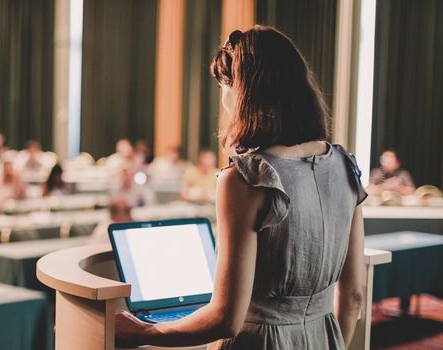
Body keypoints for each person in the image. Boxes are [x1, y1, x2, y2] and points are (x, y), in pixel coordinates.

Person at [114, 26, 368, 349]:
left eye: (225, 85)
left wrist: (146, 333)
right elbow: (355, 294)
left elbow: (226, 317)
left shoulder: (246, 178)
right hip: (324, 336)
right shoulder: (346, 166)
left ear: (244, 92)